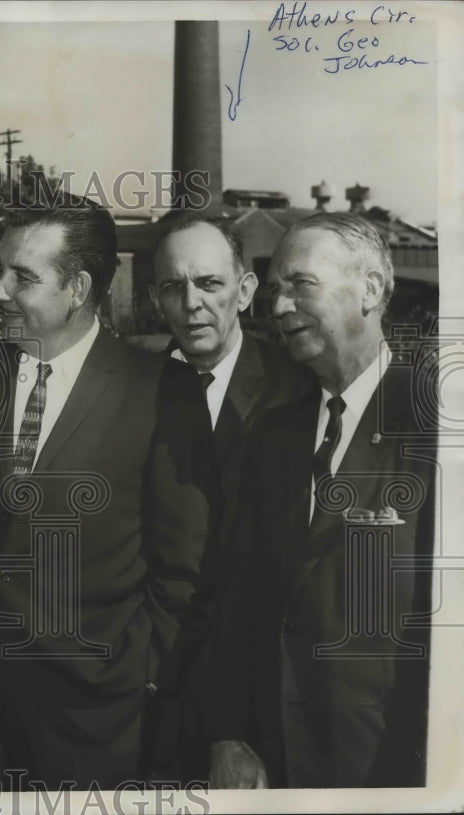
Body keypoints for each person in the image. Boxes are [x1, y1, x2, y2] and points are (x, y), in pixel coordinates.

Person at [0, 195, 219, 789]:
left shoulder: (162, 392)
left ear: (77, 287)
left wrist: (139, 675)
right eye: (1, 270)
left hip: (98, 717)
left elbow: (184, 565)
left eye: (22, 277)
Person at [207, 212, 435, 788]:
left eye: (301, 285)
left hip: (391, 767)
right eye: (275, 289)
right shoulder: (271, 434)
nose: (279, 307)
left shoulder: (437, 429)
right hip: (274, 764)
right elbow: (239, 596)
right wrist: (230, 733)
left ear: (372, 290)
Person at [146, 218, 313, 780]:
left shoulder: (300, 387)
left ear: (244, 292)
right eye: (173, 287)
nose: (191, 304)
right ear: (154, 298)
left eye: (210, 284)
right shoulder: (130, 391)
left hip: (263, 696)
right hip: (151, 694)